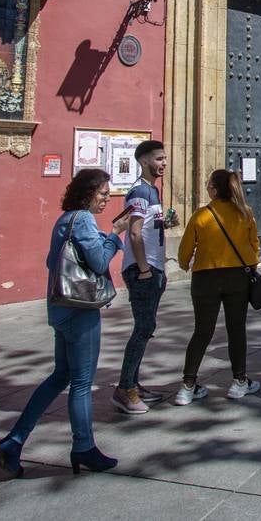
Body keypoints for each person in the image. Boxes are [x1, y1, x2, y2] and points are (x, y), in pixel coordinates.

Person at [0, 169, 129, 478]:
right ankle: (83, 446)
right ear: (88, 193)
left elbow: (53, 262)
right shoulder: (83, 220)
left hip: (60, 308)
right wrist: (115, 234)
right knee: (81, 382)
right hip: (81, 310)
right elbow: (98, 261)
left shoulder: (64, 220)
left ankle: (14, 441)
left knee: (60, 375)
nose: (107, 198)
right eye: (103, 193)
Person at [175, 169, 261, 404]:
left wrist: (185, 265)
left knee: (202, 331)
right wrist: (251, 265)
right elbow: (254, 246)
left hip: (205, 278)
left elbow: (184, 250)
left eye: (208, 184)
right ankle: (239, 381)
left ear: (214, 189)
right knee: (236, 329)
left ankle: (187, 385)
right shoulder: (245, 213)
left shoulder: (202, 215)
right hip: (237, 277)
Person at [111, 140, 169, 415]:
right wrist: (144, 269)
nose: (164, 163)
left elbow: (145, 226)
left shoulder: (152, 191)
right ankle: (124, 388)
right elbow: (133, 232)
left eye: (165, 158)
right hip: (141, 270)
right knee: (143, 328)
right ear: (144, 161)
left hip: (153, 267)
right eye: (159, 159)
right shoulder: (139, 192)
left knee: (146, 328)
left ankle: (133, 382)